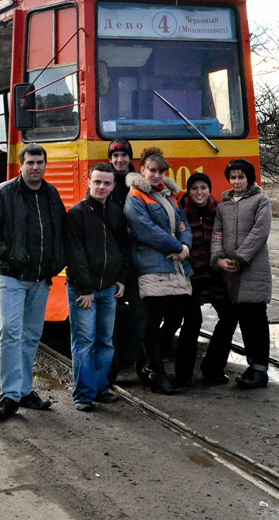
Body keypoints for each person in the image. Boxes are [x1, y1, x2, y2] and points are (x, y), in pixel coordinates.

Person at [0, 143, 67, 421]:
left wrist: (55, 264)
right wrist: (9, 256)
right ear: (21, 165)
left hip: (41, 280)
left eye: (40, 162)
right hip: (12, 278)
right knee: (11, 333)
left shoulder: (51, 194)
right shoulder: (4, 192)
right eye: (30, 162)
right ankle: (9, 395)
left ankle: (25, 391)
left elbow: (62, 231)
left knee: (30, 336)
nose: (36, 167)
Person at [124, 146, 192, 395]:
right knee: (154, 320)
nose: (157, 175)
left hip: (175, 264)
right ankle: (156, 374)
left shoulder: (168, 196)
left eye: (161, 171)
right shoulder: (135, 197)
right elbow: (145, 230)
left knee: (174, 318)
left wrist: (185, 246)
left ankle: (151, 366)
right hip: (152, 266)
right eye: (152, 170)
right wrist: (178, 246)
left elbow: (184, 225)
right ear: (143, 170)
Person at [64, 162, 130, 411]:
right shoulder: (76, 214)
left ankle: (101, 388)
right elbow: (75, 255)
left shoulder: (116, 213)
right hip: (84, 291)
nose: (101, 186)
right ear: (88, 182)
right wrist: (85, 290)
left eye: (107, 183)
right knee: (84, 341)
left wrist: (122, 279)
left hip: (109, 289)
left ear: (113, 186)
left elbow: (124, 248)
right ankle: (83, 394)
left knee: (105, 341)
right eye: (97, 182)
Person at [209, 158, 273, 389]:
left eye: (241, 177)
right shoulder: (223, 206)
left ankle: (260, 370)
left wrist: (238, 258)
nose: (236, 181)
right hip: (230, 274)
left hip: (253, 270)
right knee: (244, 322)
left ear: (249, 178)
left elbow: (260, 232)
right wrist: (219, 260)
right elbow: (216, 235)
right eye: (233, 177)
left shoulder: (260, 200)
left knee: (256, 320)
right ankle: (252, 367)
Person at [174, 171, 231, 386]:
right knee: (192, 321)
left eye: (203, 188)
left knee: (228, 317)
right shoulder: (179, 211)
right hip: (190, 276)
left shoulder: (218, 211)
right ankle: (183, 374)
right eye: (195, 188)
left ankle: (213, 368)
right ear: (189, 191)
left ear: (209, 190)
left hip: (215, 275)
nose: (199, 192)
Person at [106, 139, 148, 387]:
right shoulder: (105, 184)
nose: (120, 159)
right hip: (112, 263)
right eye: (115, 155)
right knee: (109, 319)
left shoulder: (140, 185)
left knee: (141, 316)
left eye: (124, 155)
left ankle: (143, 367)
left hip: (136, 262)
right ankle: (110, 372)